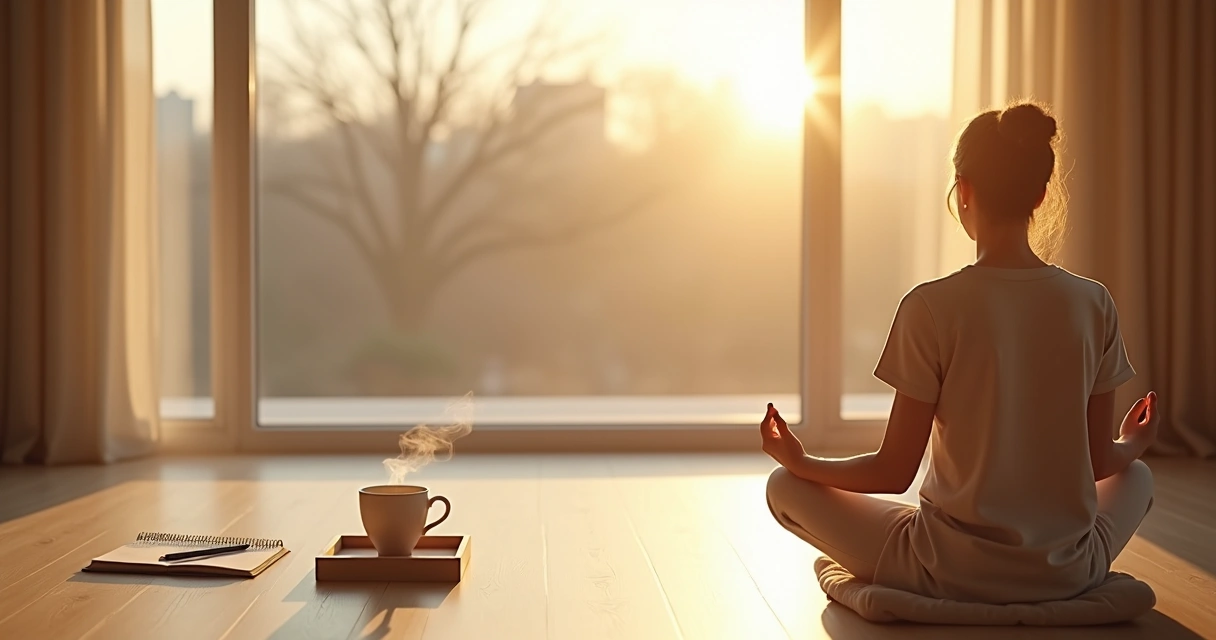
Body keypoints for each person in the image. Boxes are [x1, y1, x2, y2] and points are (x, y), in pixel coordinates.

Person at [761, 101, 1159, 604]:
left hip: (942, 568)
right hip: (1066, 572)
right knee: (1137, 475)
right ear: (1040, 194)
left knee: (784, 487)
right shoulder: (1094, 302)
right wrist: (1134, 441)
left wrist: (801, 461)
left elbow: (893, 471)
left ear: (964, 191)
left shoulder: (929, 306)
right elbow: (1102, 461)